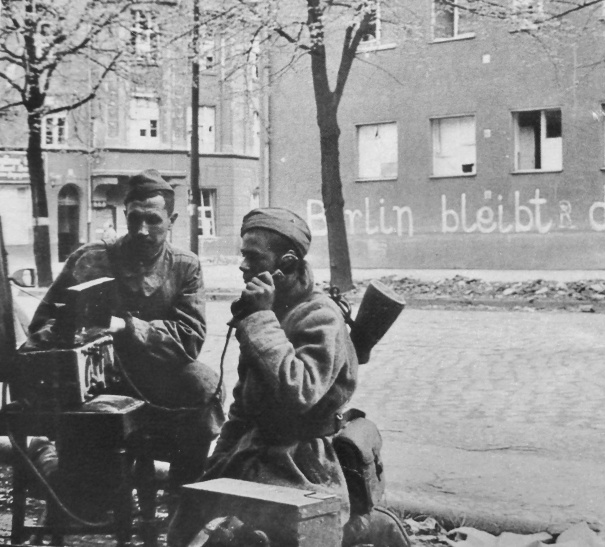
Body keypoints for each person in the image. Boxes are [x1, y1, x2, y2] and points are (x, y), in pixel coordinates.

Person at [26, 169, 225, 500]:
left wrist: (124, 325)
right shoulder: (92, 258)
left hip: (156, 382)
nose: (142, 230)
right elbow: (42, 324)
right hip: (96, 384)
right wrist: (71, 329)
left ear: (171, 220)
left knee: (205, 386)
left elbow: (189, 338)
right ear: (125, 215)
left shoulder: (184, 266)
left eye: (153, 220)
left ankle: (183, 499)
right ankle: (47, 456)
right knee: (84, 496)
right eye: (134, 219)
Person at [167, 207, 360, 546]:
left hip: (301, 464)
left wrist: (260, 318)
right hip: (250, 452)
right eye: (243, 256)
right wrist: (217, 463)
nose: (243, 266)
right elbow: (242, 407)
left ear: (286, 263)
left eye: (254, 257)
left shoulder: (320, 316)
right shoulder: (269, 310)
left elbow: (300, 391)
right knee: (186, 529)